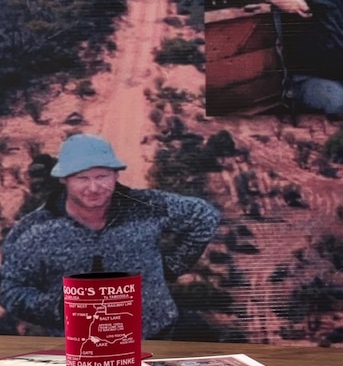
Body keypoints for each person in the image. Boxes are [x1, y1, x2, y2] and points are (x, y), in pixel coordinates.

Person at [0, 133, 220, 339]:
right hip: (79, 349)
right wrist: (55, 307)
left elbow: (205, 216)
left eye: (102, 176)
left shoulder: (146, 206)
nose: (94, 187)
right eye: (82, 178)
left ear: (116, 175)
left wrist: (170, 268)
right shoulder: (35, 229)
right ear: (64, 179)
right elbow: (9, 288)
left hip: (156, 337)